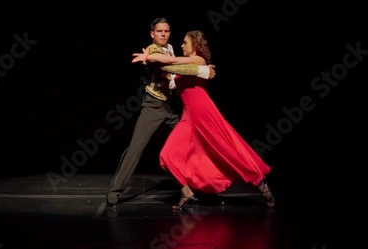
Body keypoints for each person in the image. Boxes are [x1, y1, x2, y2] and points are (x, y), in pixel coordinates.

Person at [131, 30, 275, 210]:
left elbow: (173, 62)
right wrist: (153, 66)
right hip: (188, 117)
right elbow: (172, 73)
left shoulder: (199, 60)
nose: (182, 45)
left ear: (196, 45)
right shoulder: (185, 67)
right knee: (166, 155)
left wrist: (151, 55)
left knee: (227, 149)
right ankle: (187, 193)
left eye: (185, 42)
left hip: (204, 113)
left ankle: (260, 183)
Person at [106, 18, 216, 207]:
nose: (164, 34)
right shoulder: (152, 51)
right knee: (136, 147)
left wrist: (199, 68)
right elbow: (169, 66)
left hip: (171, 107)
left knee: (189, 144)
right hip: (154, 105)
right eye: (160, 31)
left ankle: (192, 188)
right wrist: (202, 70)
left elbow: (175, 65)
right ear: (152, 34)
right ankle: (114, 191)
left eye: (166, 31)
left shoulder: (171, 49)